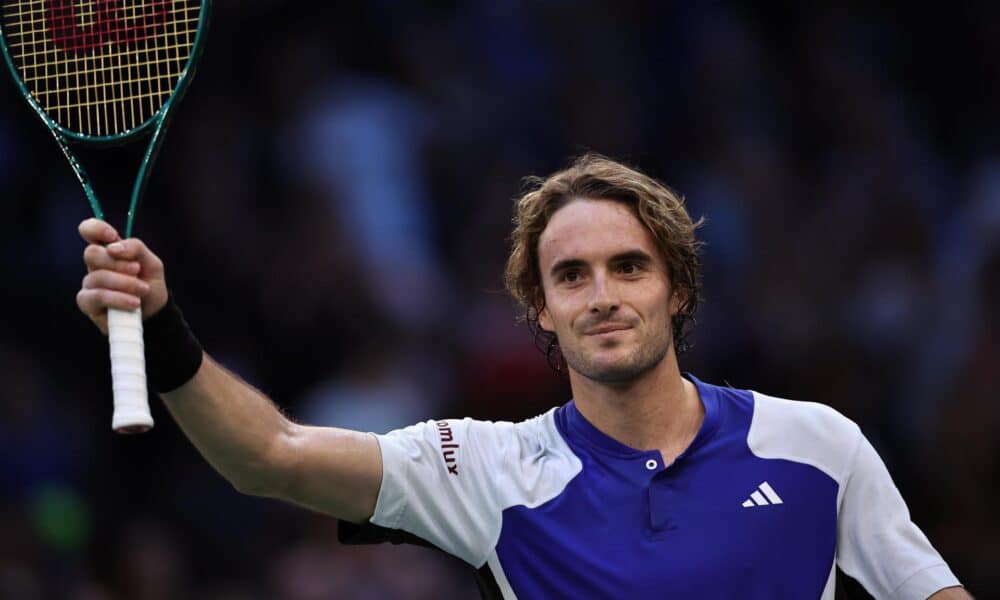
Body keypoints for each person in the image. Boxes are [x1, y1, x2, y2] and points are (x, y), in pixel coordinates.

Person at [77, 154, 968, 599]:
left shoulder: (815, 444)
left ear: (678, 289)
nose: (602, 297)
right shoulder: (487, 470)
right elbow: (268, 454)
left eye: (629, 267)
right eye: (570, 276)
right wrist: (160, 326)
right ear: (539, 308)